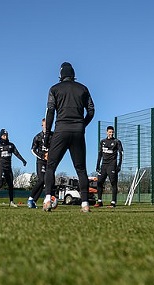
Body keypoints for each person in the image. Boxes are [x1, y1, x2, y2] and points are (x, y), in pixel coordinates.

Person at [42, 62, 95, 213]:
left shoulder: (54, 89)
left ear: (61, 75)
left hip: (61, 130)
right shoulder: (83, 88)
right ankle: (85, 204)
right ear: (73, 75)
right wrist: (82, 124)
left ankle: (47, 200)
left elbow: (50, 112)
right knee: (81, 168)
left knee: (51, 166)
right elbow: (91, 110)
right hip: (78, 130)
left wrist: (47, 136)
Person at [0, 129, 27, 207]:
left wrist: (23, 160)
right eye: (4, 135)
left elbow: (16, 153)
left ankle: (11, 201)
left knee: (10, 184)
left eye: (6, 135)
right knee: (0, 182)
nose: (5, 137)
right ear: (1, 136)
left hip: (9, 167)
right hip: (1, 167)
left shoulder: (11, 145)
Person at [95, 126, 123, 208]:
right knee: (99, 182)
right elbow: (100, 154)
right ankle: (99, 201)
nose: (111, 134)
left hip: (112, 165)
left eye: (112, 132)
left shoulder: (117, 142)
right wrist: (97, 165)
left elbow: (121, 154)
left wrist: (119, 165)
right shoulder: (102, 141)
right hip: (103, 165)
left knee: (113, 183)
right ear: (107, 132)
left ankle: (113, 203)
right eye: (109, 132)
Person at [27, 118, 52, 208]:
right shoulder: (37, 137)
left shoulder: (53, 136)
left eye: (46, 125)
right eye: (43, 125)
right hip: (40, 161)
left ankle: (34, 201)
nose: (45, 127)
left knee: (47, 181)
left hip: (50, 162)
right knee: (41, 179)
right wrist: (42, 156)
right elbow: (32, 150)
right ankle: (30, 199)